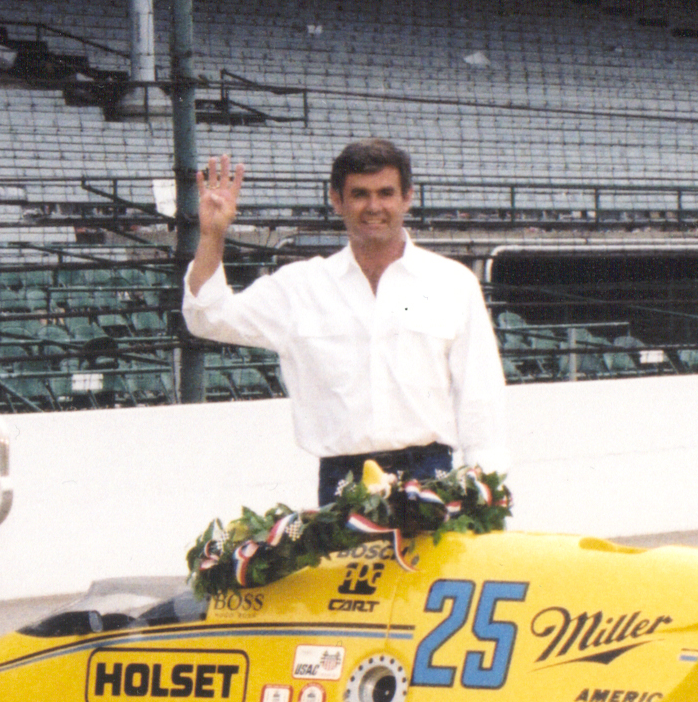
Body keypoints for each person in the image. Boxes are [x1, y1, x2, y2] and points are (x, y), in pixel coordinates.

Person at [181, 138, 510, 505]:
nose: (374, 207)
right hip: (343, 489)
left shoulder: (452, 283)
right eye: (359, 194)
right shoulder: (301, 286)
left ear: (407, 198)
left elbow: (480, 399)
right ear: (337, 200)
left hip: (431, 479)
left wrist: (486, 495)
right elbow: (207, 318)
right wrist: (213, 234)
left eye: (386, 193)